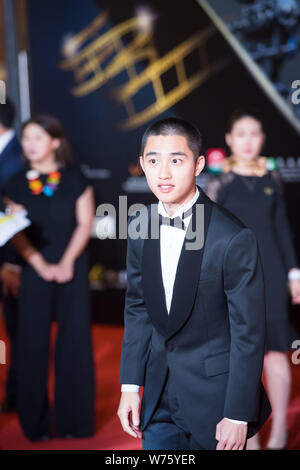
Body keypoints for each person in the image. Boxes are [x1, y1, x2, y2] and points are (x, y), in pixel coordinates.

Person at [117, 117, 271, 451]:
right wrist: (130, 385)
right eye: (154, 161)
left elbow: (248, 332)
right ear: (142, 164)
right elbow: (137, 307)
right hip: (157, 398)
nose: (164, 173)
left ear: (198, 164)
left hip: (215, 401)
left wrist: (238, 413)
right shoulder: (139, 224)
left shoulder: (232, 237)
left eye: (176, 160)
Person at [205, 109, 300, 450]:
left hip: (273, 271)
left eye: (255, 133)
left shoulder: (271, 178)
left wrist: (294, 274)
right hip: (233, 275)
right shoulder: (220, 181)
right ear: (229, 140)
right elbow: (210, 233)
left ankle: (278, 435)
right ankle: (250, 434)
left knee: (276, 353)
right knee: (239, 354)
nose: (248, 140)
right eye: (240, 133)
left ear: (262, 140)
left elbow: (281, 229)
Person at [2, 113, 95, 441]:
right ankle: (35, 425)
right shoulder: (13, 184)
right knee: (31, 346)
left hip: (73, 266)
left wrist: (67, 261)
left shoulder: (76, 178)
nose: (30, 145)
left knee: (74, 345)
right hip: (32, 268)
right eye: (26, 139)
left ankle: (75, 423)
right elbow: (12, 230)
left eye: (37, 138)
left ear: (55, 141)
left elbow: (85, 223)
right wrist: (38, 264)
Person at [0, 98, 22, 413]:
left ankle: (18, 394)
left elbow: (20, 216)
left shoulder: (17, 156)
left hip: (10, 259)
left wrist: (12, 263)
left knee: (17, 329)